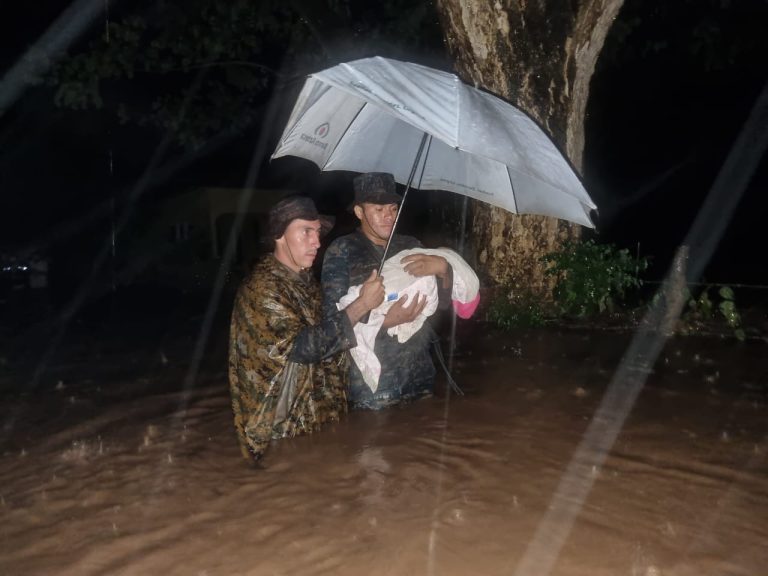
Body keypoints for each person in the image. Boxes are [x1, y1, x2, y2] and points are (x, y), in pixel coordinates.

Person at [228, 196, 384, 463]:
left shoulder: (306, 282)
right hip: (283, 434)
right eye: (306, 232)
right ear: (279, 235)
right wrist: (361, 305)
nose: (317, 241)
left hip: (316, 424)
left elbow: (333, 337)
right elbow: (304, 347)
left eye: (318, 232)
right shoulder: (262, 287)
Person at [321, 172, 453, 410]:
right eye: (378, 210)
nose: (388, 217)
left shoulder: (411, 245)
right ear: (359, 212)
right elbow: (331, 321)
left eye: (392, 209)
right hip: (374, 386)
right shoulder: (342, 250)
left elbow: (441, 305)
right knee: (375, 444)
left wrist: (444, 271)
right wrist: (385, 320)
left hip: (420, 375)